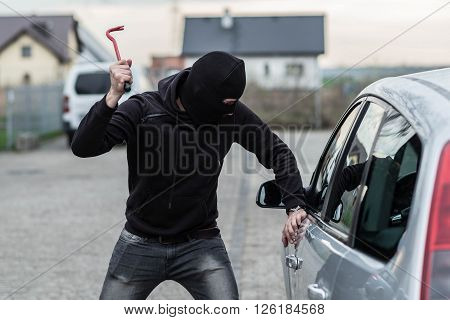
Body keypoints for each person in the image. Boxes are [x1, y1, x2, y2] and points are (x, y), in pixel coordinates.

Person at [71, 51, 308, 300]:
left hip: (200, 242)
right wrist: (112, 97)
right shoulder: (144, 109)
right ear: (198, 93)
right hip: (140, 242)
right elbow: (83, 147)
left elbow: (278, 152)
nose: (226, 113)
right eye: (222, 105)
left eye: (231, 104)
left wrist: (295, 205)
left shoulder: (231, 113)